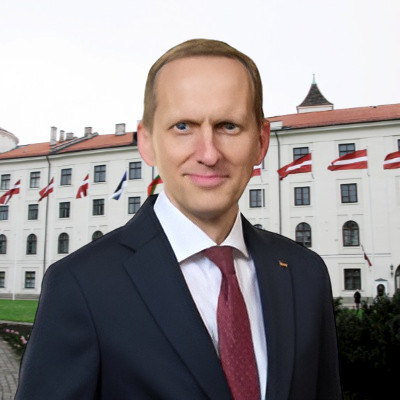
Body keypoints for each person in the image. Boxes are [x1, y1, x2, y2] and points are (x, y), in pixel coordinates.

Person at [15, 39, 342, 399]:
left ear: (261, 142)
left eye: (229, 126)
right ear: (147, 142)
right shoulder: (81, 285)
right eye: (183, 126)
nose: (209, 154)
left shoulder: (305, 273)